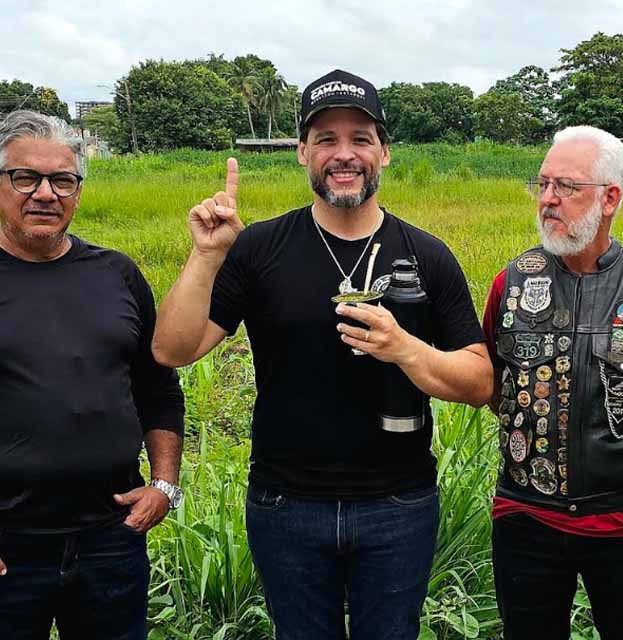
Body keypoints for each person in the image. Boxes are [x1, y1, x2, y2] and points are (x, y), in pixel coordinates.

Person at [151, 69, 492, 639]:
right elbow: (173, 349)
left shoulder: (427, 255)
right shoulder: (260, 246)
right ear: (302, 152)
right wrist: (208, 255)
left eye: (361, 138)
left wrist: (406, 348)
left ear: (384, 152)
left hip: (399, 504)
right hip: (285, 504)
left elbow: (480, 382)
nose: (345, 154)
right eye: (327, 139)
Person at [0, 110, 185, 640]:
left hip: (110, 539)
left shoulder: (117, 274)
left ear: (78, 190)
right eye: (26, 178)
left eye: (62, 180)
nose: (46, 194)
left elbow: (157, 388)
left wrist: (164, 483)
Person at [482, 125, 623, 639]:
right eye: (543, 183)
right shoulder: (511, 284)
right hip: (526, 518)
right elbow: (494, 386)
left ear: (610, 197)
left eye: (567, 187)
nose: (548, 199)